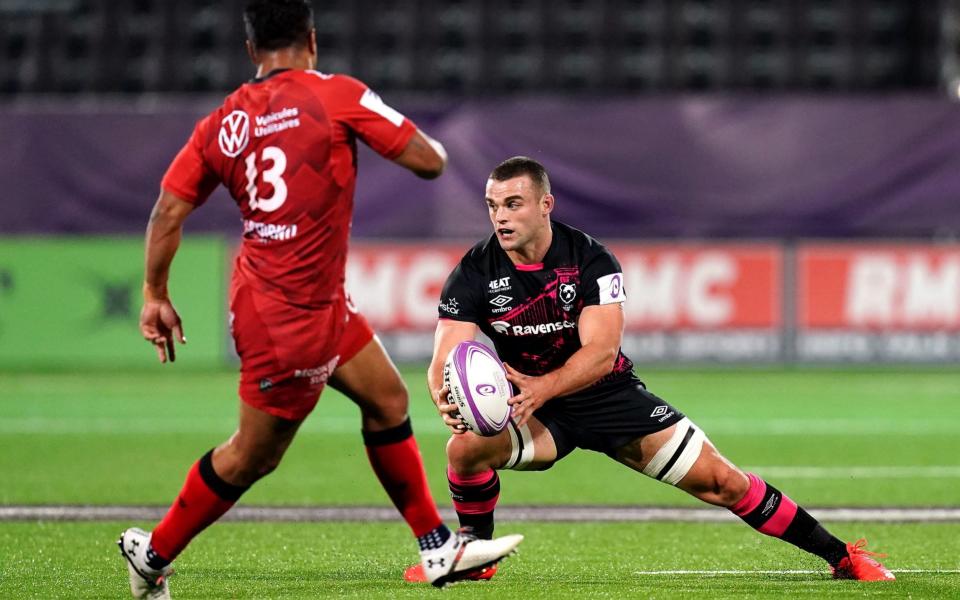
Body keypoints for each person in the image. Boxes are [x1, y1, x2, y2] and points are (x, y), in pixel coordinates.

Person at [117, 2, 523, 597]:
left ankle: (437, 548)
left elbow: (169, 210)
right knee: (254, 456)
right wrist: (374, 117)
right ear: (312, 39)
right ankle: (150, 555)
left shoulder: (222, 123)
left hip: (315, 300)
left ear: (252, 50)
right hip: (284, 317)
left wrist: (154, 293)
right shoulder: (337, 95)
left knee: (387, 399)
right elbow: (430, 162)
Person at [406, 155, 894, 583]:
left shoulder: (591, 259)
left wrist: (541, 388)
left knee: (724, 483)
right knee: (465, 447)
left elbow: (600, 353)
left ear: (545, 205)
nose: (500, 216)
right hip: (537, 405)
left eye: (513, 203)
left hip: (607, 396)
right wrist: (444, 396)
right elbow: (446, 355)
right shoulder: (475, 269)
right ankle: (472, 554)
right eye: (493, 205)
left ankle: (841, 556)